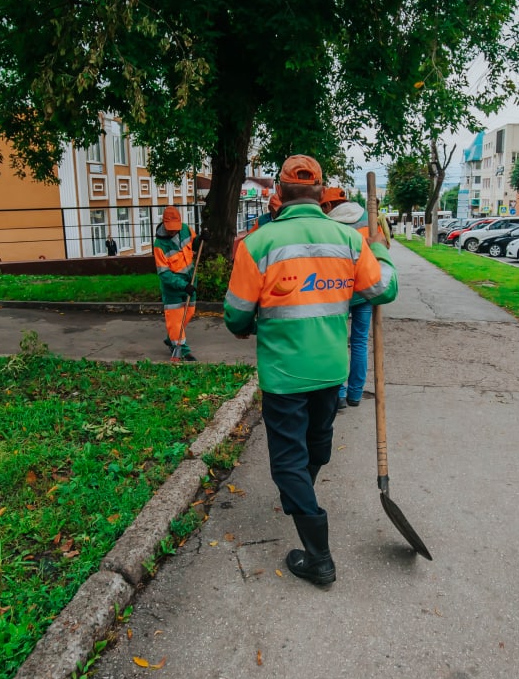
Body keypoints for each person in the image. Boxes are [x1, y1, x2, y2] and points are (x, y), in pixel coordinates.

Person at [224, 155, 399, 586]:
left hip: (284, 374)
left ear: (279, 195)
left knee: (288, 460)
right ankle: (300, 494)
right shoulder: (348, 241)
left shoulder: (257, 244)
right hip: (330, 371)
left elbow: (236, 315)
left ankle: (318, 557)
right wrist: (379, 251)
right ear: (321, 194)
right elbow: (383, 289)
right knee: (317, 444)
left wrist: (248, 327)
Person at [320, 185, 380, 411]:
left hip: (337, 290)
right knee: (360, 342)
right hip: (364, 290)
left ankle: (340, 394)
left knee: (336, 340)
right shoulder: (368, 219)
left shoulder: (327, 224)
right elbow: (382, 250)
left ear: (328, 205)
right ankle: (355, 393)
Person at [153, 205, 199, 362]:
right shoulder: (159, 245)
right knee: (175, 319)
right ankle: (182, 351)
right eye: (170, 228)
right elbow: (164, 274)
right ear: (164, 224)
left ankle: (171, 337)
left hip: (190, 279)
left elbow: (195, 243)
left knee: (190, 312)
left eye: (175, 228)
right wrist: (182, 285)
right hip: (172, 287)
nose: (173, 231)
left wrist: (202, 239)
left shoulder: (185, 229)